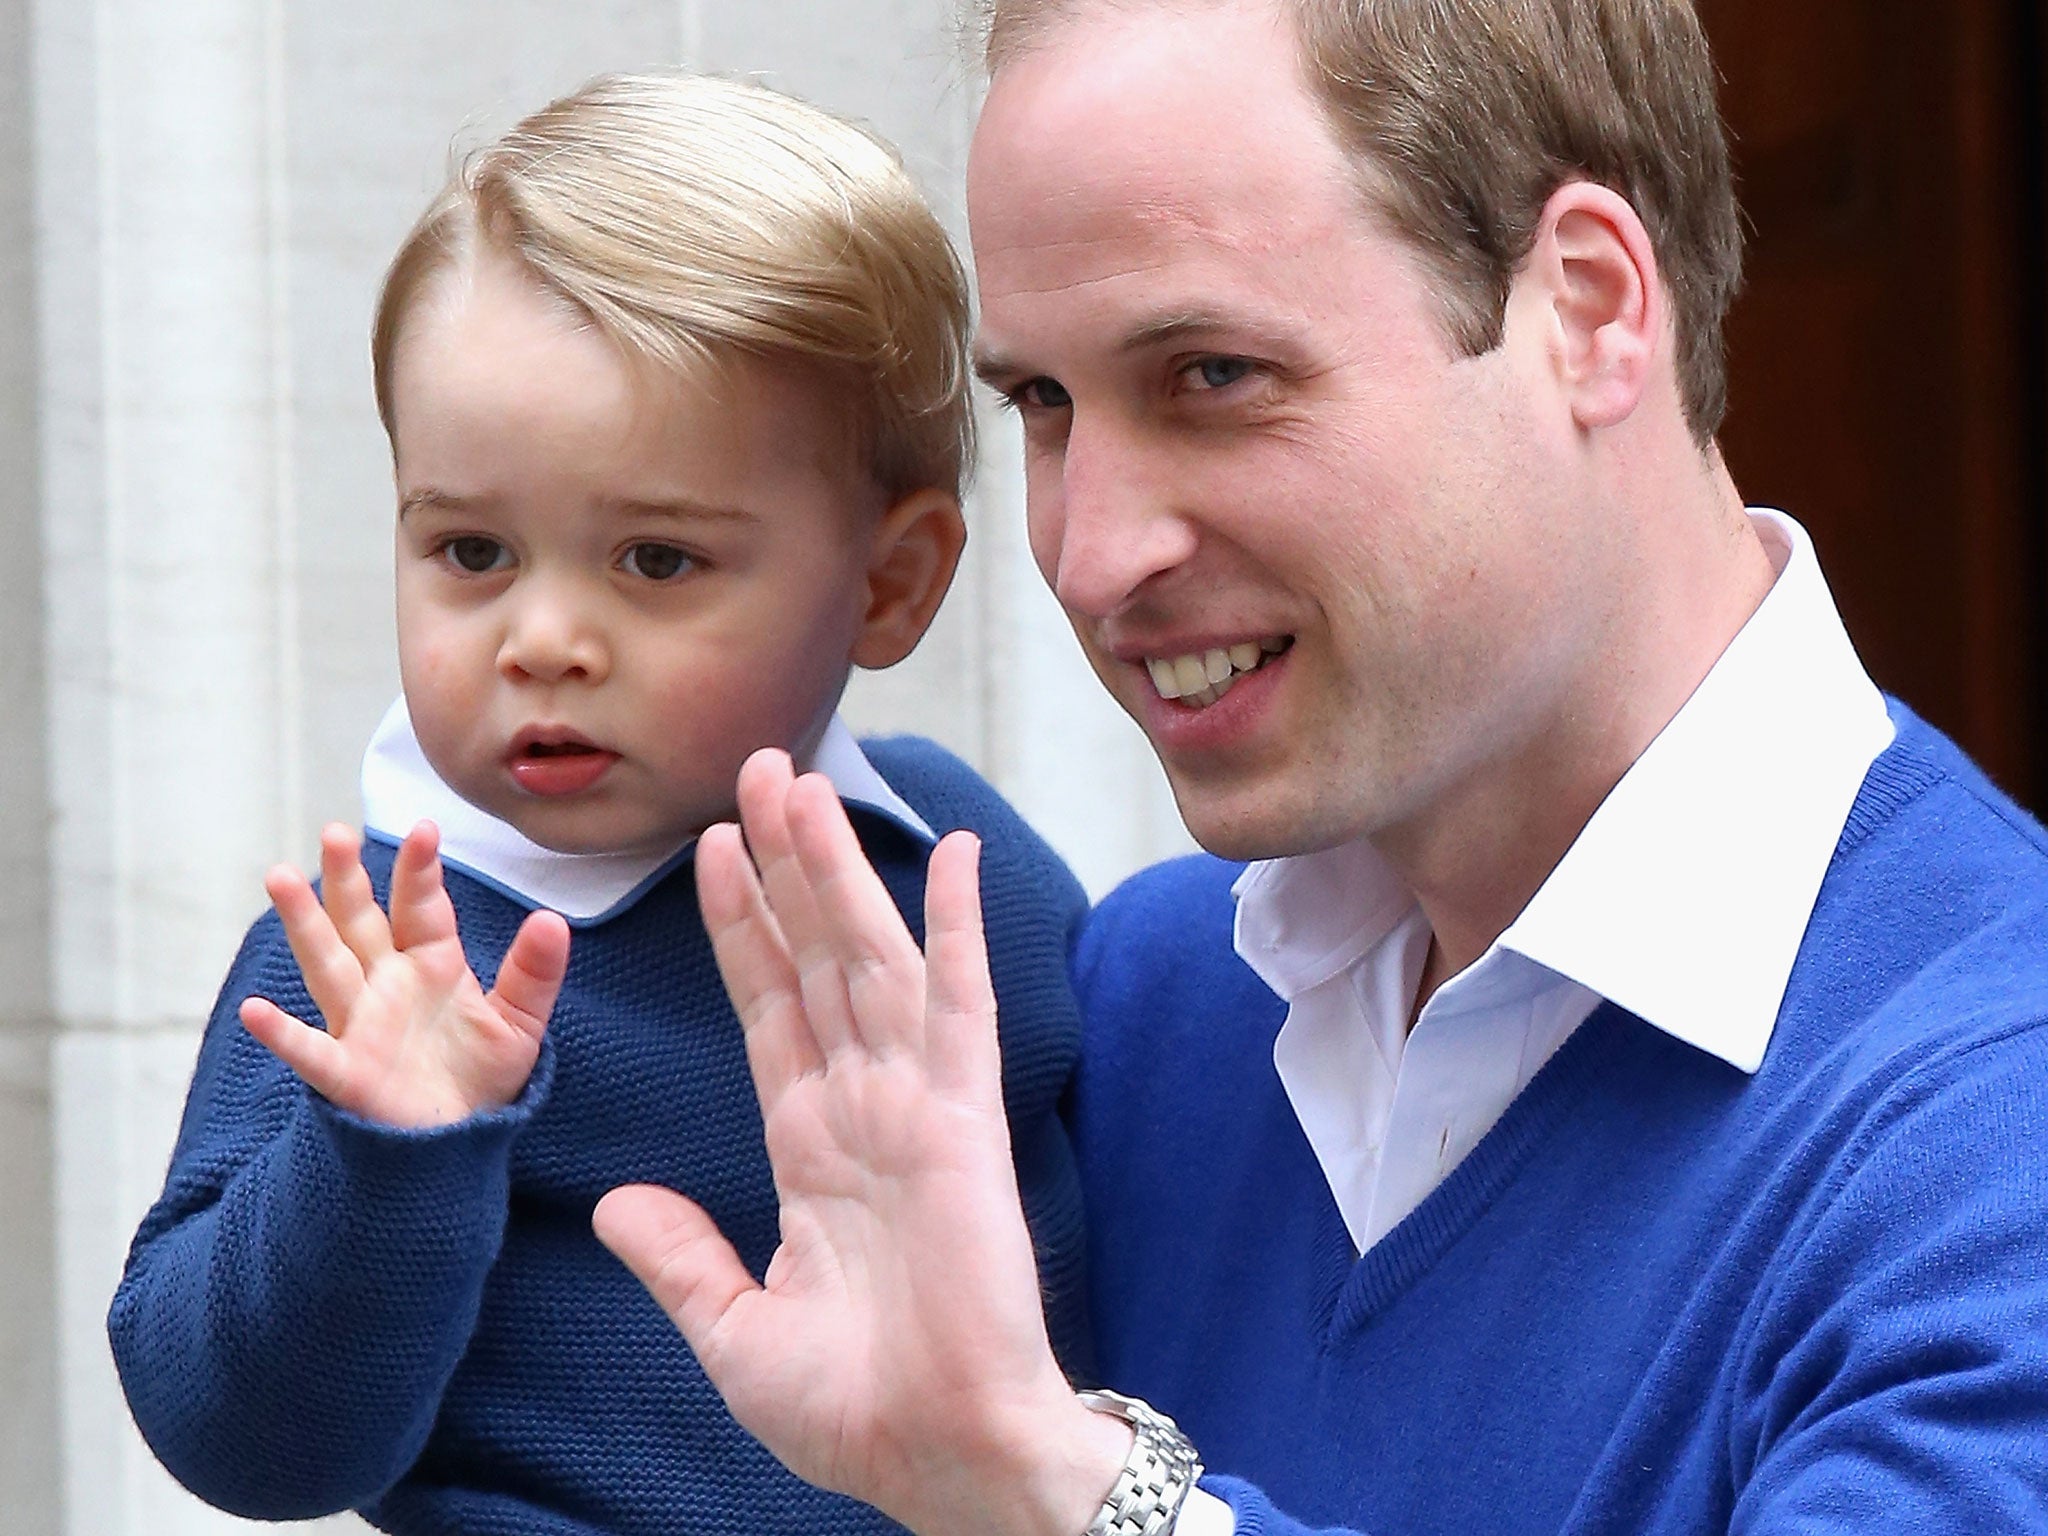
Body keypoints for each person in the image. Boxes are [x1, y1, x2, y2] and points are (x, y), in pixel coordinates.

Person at [592, 2, 2048, 1533]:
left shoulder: (1985, 1130)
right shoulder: (1140, 1005)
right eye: (1044, 405)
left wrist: (1071, 1497)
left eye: (1212, 376)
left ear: (1590, 308)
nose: (1092, 555)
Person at [106, 71, 1093, 1536]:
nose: (541, 639)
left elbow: (1161, 1219)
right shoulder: (386, 961)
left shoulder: (948, 863)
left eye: (653, 562)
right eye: (472, 551)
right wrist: (392, 1149)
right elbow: (238, 1442)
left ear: (890, 584)